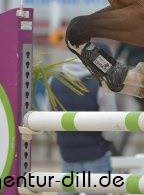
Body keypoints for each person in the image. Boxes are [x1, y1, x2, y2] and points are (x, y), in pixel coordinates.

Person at [47, 47, 118, 195]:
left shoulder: (54, 81)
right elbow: (111, 125)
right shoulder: (101, 84)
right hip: (97, 152)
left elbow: (46, 119)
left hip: (67, 154)